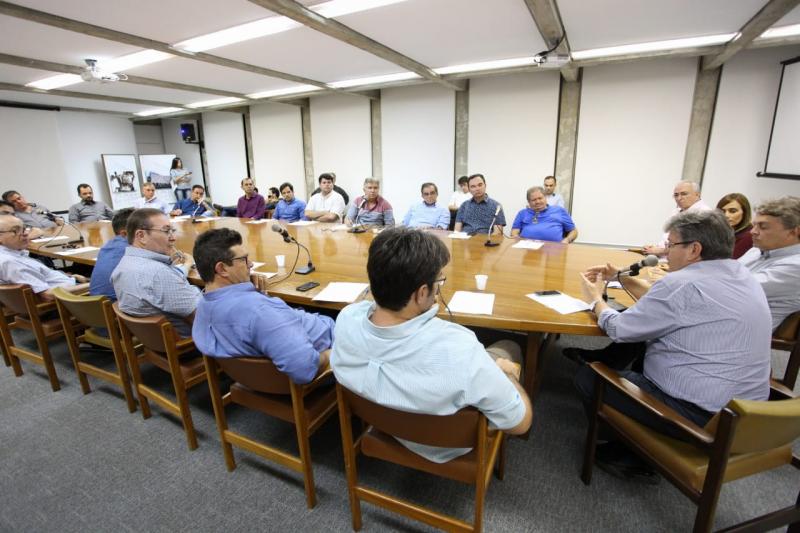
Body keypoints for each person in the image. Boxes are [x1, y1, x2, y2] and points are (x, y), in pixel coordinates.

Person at [576, 210, 770, 480]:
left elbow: (620, 329)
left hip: (701, 419)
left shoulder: (682, 284)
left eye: (671, 245)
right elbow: (672, 307)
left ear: (694, 249)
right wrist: (620, 277)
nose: (666, 253)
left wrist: (596, 299)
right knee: (644, 351)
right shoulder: (742, 274)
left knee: (590, 374)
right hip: (750, 417)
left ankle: (636, 451)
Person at [331, 227, 532, 463]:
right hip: (443, 447)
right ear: (422, 292)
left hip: (381, 421)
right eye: (438, 281)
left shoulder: (346, 318)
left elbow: (363, 305)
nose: (438, 287)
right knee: (509, 347)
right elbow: (520, 423)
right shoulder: (460, 347)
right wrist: (507, 375)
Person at [191, 228, 333, 384]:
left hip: (254, 376)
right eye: (244, 259)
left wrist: (256, 292)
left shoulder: (203, 305)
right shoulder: (261, 313)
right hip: (329, 343)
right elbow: (304, 368)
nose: (250, 264)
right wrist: (332, 354)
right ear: (222, 269)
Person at [111, 208, 200, 337]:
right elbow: (202, 318)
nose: (173, 238)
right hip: (188, 346)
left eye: (172, 231)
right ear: (141, 236)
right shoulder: (159, 274)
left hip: (153, 343)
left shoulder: (122, 265)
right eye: (166, 231)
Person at [738, 196, 800, 331]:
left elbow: (732, 289)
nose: (752, 231)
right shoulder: (756, 250)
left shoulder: (796, 266)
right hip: (721, 320)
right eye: (754, 225)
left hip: (739, 335)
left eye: (763, 227)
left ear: (794, 232)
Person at [0, 214, 88, 301]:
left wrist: (70, 277)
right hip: (67, 302)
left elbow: (41, 278)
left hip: (68, 284)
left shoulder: (13, 255)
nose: (26, 233)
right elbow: (48, 295)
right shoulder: (11, 263)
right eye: (16, 230)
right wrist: (91, 285)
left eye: (24, 228)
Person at [643, 181, 711, 255]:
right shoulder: (677, 211)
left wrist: (660, 251)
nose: (679, 198)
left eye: (684, 194)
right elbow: (668, 239)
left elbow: (691, 247)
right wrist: (655, 248)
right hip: (667, 258)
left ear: (697, 195)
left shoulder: (704, 214)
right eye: (676, 195)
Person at [89, 208, 133, 301]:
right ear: (124, 233)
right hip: (116, 309)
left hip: (94, 307)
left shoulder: (107, 246)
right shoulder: (131, 251)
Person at [511, 186, 577, 243]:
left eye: (540, 198)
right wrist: (516, 238)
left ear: (545, 198)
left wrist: (567, 240)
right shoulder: (522, 213)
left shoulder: (559, 211)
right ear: (529, 202)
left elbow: (573, 231)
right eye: (534, 200)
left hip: (554, 251)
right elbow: (514, 232)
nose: (538, 202)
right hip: (528, 249)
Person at [715, 192, 753, 259]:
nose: (726, 215)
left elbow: (729, 261)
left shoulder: (748, 236)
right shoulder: (719, 231)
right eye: (722, 211)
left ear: (745, 212)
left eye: (732, 211)